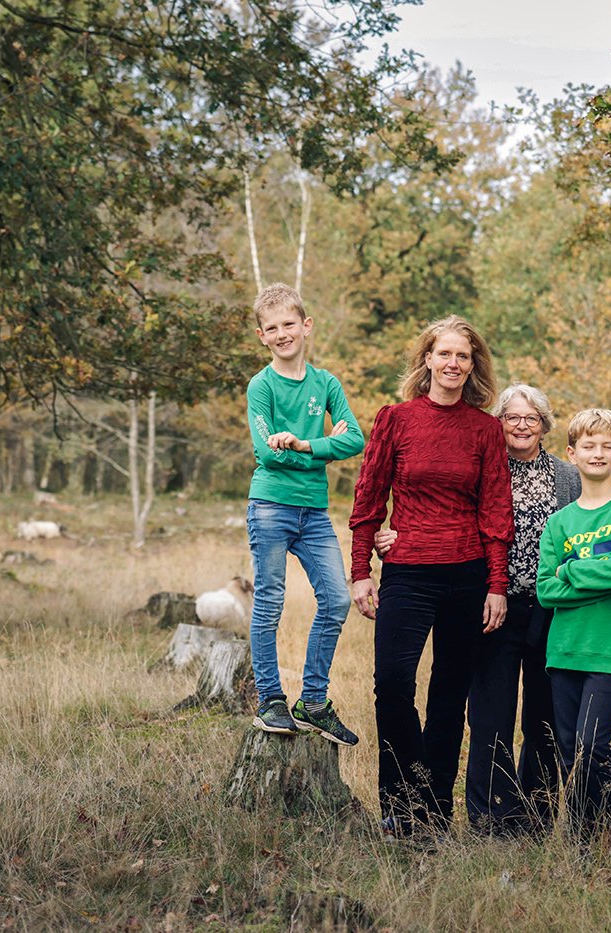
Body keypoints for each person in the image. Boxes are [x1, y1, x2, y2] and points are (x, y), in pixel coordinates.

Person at [348, 315, 513, 837]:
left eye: (463, 356)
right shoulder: (395, 419)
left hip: (467, 576)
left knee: (448, 695)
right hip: (408, 573)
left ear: (473, 365)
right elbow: (368, 498)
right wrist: (360, 570)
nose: (452, 363)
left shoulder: (485, 428)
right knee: (392, 686)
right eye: (444, 354)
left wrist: (496, 584)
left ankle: (435, 812)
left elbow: (495, 510)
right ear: (427, 359)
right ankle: (401, 802)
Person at [243, 283, 364, 744]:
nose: (281, 333)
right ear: (262, 335)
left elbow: (355, 439)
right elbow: (266, 454)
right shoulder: (262, 385)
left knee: (335, 599)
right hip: (271, 505)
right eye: (271, 328)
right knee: (270, 602)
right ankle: (271, 700)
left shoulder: (325, 383)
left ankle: (313, 702)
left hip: (314, 512)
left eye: (288, 324)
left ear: (306, 326)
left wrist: (305, 444)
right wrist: (313, 455)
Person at [463, 384, 580, 835]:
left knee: (544, 716)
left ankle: (536, 813)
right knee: (491, 713)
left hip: (551, 609)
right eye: (512, 417)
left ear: (545, 425)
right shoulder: (484, 471)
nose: (521, 426)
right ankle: (491, 814)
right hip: (496, 606)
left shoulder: (566, 477)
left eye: (531, 418)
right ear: (499, 423)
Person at [535, 409, 611, 844]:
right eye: (589, 445)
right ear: (573, 453)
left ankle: (581, 843)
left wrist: (574, 568)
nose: (598, 453)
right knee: (571, 754)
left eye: (607, 446)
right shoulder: (559, 522)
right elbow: (547, 591)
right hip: (565, 649)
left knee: (591, 748)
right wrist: (605, 564)